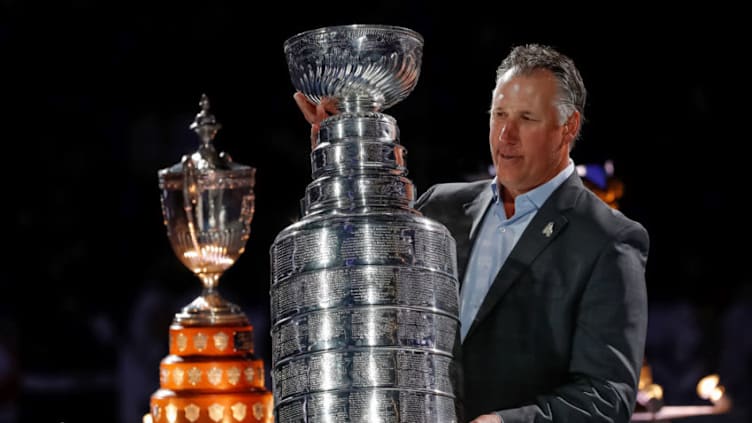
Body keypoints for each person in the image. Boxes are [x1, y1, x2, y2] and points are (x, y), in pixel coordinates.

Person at [293, 43, 649, 423]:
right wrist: (342, 151)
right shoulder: (438, 208)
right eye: (498, 115)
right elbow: (355, 269)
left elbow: (606, 397)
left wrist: (504, 422)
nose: (506, 135)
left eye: (527, 118)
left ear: (568, 127)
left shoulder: (607, 238)